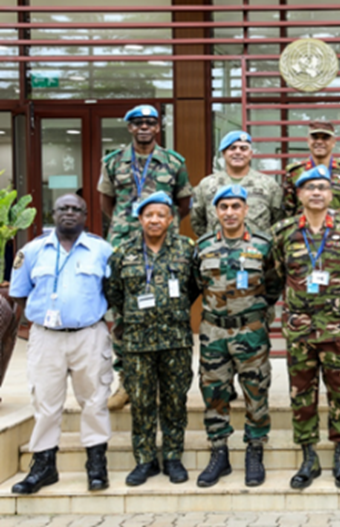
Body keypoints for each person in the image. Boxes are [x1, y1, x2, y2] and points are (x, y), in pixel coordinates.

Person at [8, 194, 114, 494]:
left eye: (76, 209)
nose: (70, 213)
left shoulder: (101, 250)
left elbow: (113, 289)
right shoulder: (32, 251)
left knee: (94, 400)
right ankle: (44, 466)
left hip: (89, 335)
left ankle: (96, 465)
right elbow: (19, 293)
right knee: (45, 402)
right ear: (52, 213)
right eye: (63, 208)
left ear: (85, 215)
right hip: (46, 338)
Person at [271, 165, 340, 490]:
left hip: (337, 330)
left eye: (322, 187)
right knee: (301, 395)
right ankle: (309, 457)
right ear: (298, 194)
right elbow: (276, 275)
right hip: (299, 332)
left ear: (331, 192)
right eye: (309, 188)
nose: (317, 193)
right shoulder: (282, 232)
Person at [98, 104, 193, 412]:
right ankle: (126, 380)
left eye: (150, 122)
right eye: (138, 123)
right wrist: (132, 225)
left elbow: (183, 202)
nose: (144, 127)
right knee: (125, 311)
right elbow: (106, 202)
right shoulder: (113, 162)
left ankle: (163, 378)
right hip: (126, 245)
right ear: (129, 128)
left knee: (168, 305)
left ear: (157, 127)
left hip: (164, 245)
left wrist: (159, 225)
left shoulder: (173, 162)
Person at [104, 191, 200, 487]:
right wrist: (134, 316)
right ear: (140, 219)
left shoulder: (186, 249)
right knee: (143, 403)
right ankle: (144, 459)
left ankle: (172, 457)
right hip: (137, 343)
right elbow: (114, 292)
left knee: (174, 401)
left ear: (171, 219)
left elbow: (194, 287)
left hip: (175, 340)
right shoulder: (123, 252)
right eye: (149, 215)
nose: (155, 220)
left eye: (161, 215)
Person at [193, 185, 283, 488]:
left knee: (256, 391)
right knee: (214, 393)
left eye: (235, 206)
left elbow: (273, 284)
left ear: (245, 210)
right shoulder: (203, 246)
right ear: (215, 212)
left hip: (251, 331)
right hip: (213, 332)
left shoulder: (263, 245)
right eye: (224, 207)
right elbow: (197, 282)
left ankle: (254, 451)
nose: (229, 213)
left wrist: (254, 312)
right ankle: (219, 453)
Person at [191, 130, 284, 237]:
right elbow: (197, 222)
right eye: (232, 148)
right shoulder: (207, 184)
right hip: (217, 250)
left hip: (258, 250)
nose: (238, 152)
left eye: (243, 148)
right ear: (223, 153)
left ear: (250, 154)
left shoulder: (269, 185)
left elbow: (278, 221)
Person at [282, 121, 340, 221]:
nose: (319, 141)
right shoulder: (294, 172)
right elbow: (287, 211)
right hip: (304, 232)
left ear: (333, 142)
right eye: (315, 137)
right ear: (308, 141)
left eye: (325, 138)